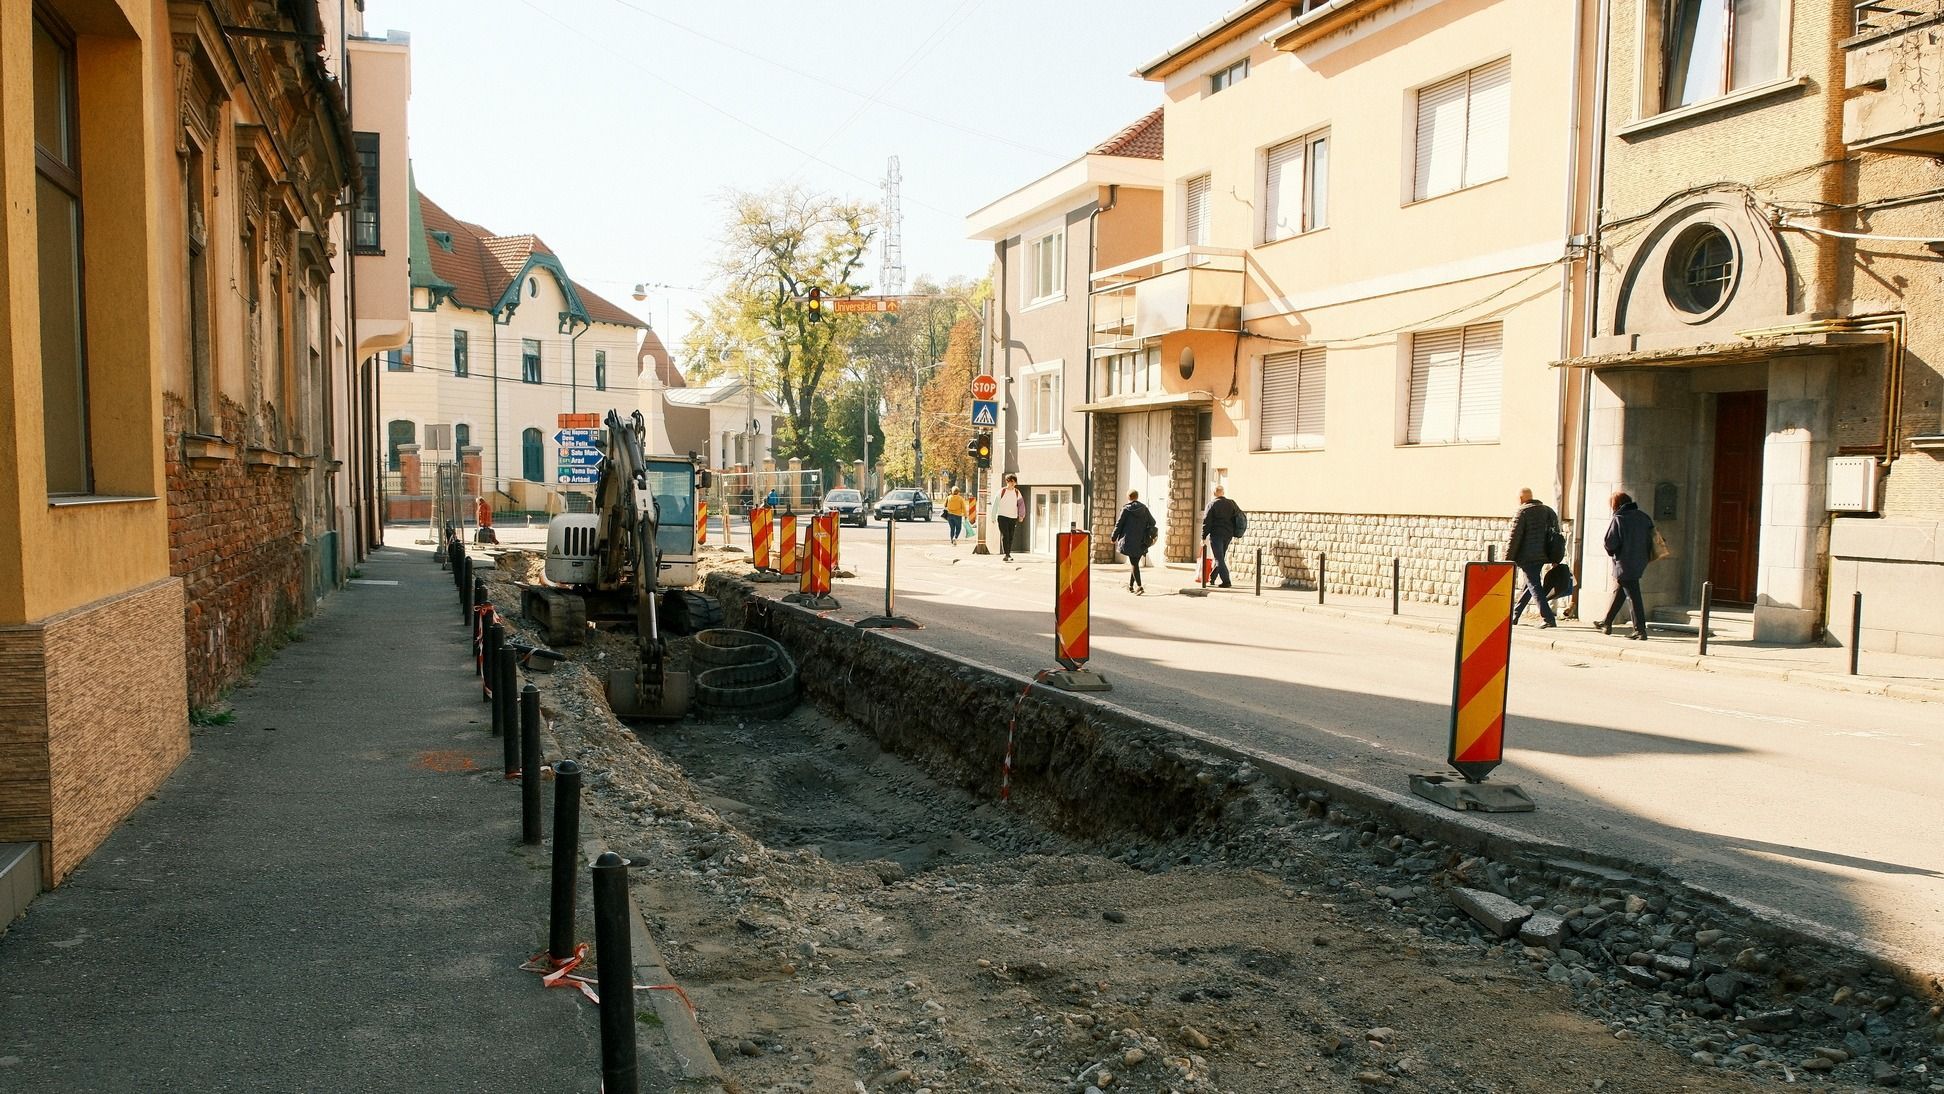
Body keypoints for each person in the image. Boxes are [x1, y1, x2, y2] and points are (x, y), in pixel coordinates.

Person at [1599, 490, 1656, 640]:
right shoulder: (1643, 517)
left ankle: (1640, 630)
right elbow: (1652, 537)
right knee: (1622, 591)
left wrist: (1613, 553)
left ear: (1616, 505)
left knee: (1633, 595)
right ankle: (1607, 622)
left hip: (1624, 561)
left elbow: (1610, 543)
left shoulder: (1619, 519)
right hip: (1641, 560)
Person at [1505, 487, 1559, 628]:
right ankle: (1515, 615)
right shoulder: (1548, 510)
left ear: (1521, 499)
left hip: (1527, 557)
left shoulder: (1522, 512)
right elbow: (1556, 535)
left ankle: (1548, 618)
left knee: (1534, 586)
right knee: (1529, 585)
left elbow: (1514, 538)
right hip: (1543, 555)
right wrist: (1555, 557)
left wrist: (1507, 560)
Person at [1112, 490, 1157, 594]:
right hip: (1142, 541)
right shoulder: (1144, 509)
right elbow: (1153, 522)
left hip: (1129, 541)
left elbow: (1119, 524)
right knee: (1135, 563)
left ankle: (1140, 587)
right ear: (1137, 496)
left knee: (1134, 564)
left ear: (1128, 497)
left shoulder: (1126, 509)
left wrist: (1113, 537)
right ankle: (1131, 586)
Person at [1201, 486, 1242, 588]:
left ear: (1214, 494)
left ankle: (1226, 581)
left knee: (1219, 558)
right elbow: (1238, 517)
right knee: (1220, 557)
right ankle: (1212, 578)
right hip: (1228, 534)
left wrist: (1203, 536)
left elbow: (1207, 522)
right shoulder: (1231, 503)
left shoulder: (1211, 505)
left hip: (1216, 535)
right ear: (1223, 493)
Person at [995, 474, 1026, 561]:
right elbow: (995, 504)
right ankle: (1007, 554)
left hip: (1013, 517)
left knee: (1010, 536)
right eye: (1011, 481)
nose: (1013, 483)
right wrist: (993, 516)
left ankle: (1008, 554)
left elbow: (1021, 504)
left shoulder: (1017, 492)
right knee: (1005, 535)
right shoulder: (1002, 491)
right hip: (1002, 516)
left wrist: (1021, 515)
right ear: (1007, 482)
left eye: (1014, 482)